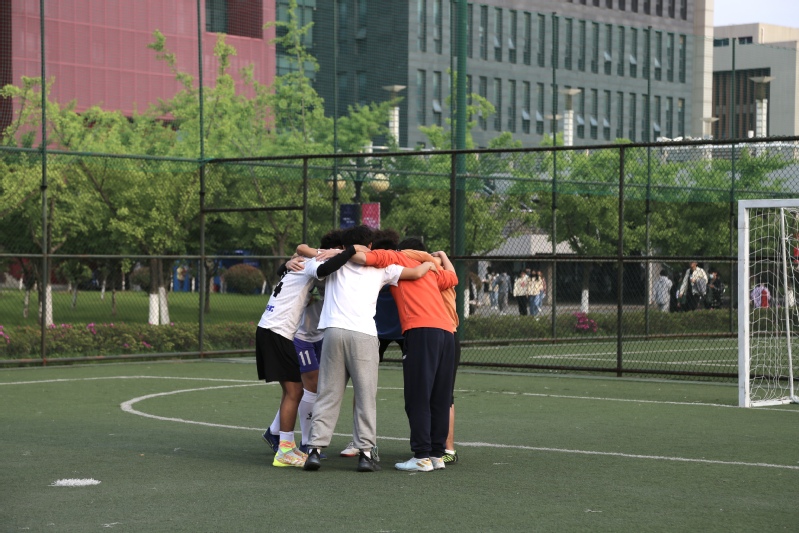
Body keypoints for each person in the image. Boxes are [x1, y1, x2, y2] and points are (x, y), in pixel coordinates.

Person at [302, 226, 437, 473]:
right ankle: (365, 453)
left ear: (344, 245)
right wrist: (431, 263)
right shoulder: (381, 266)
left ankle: (314, 450)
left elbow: (306, 256)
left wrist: (330, 252)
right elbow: (416, 272)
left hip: (333, 331)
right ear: (371, 246)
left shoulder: (331, 260)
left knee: (328, 392)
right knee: (365, 395)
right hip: (364, 334)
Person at [349, 237, 459, 472]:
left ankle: (421, 456)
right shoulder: (430, 267)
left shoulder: (394, 257)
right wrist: (441, 256)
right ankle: (436, 455)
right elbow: (453, 278)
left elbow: (361, 257)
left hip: (421, 330)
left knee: (418, 395)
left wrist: (342, 251)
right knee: (440, 397)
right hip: (447, 333)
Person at [255, 231, 356, 468]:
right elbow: (323, 266)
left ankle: (285, 444)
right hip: (277, 331)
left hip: (275, 331)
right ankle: (284, 449)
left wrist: (288, 262)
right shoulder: (312, 264)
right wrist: (351, 251)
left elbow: (291, 264)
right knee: (295, 391)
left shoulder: (301, 262)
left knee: (295, 391)